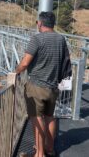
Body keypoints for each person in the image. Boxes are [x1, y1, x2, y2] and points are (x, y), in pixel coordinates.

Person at [15, 11, 71, 157]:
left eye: (37, 23)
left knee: (37, 119)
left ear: (40, 23)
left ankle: (39, 154)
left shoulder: (37, 39)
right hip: (53, 87)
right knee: (50, 117)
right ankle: (50, 149)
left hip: (36, 87)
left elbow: (25, 63)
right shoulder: (61, 39)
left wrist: (16, 71)